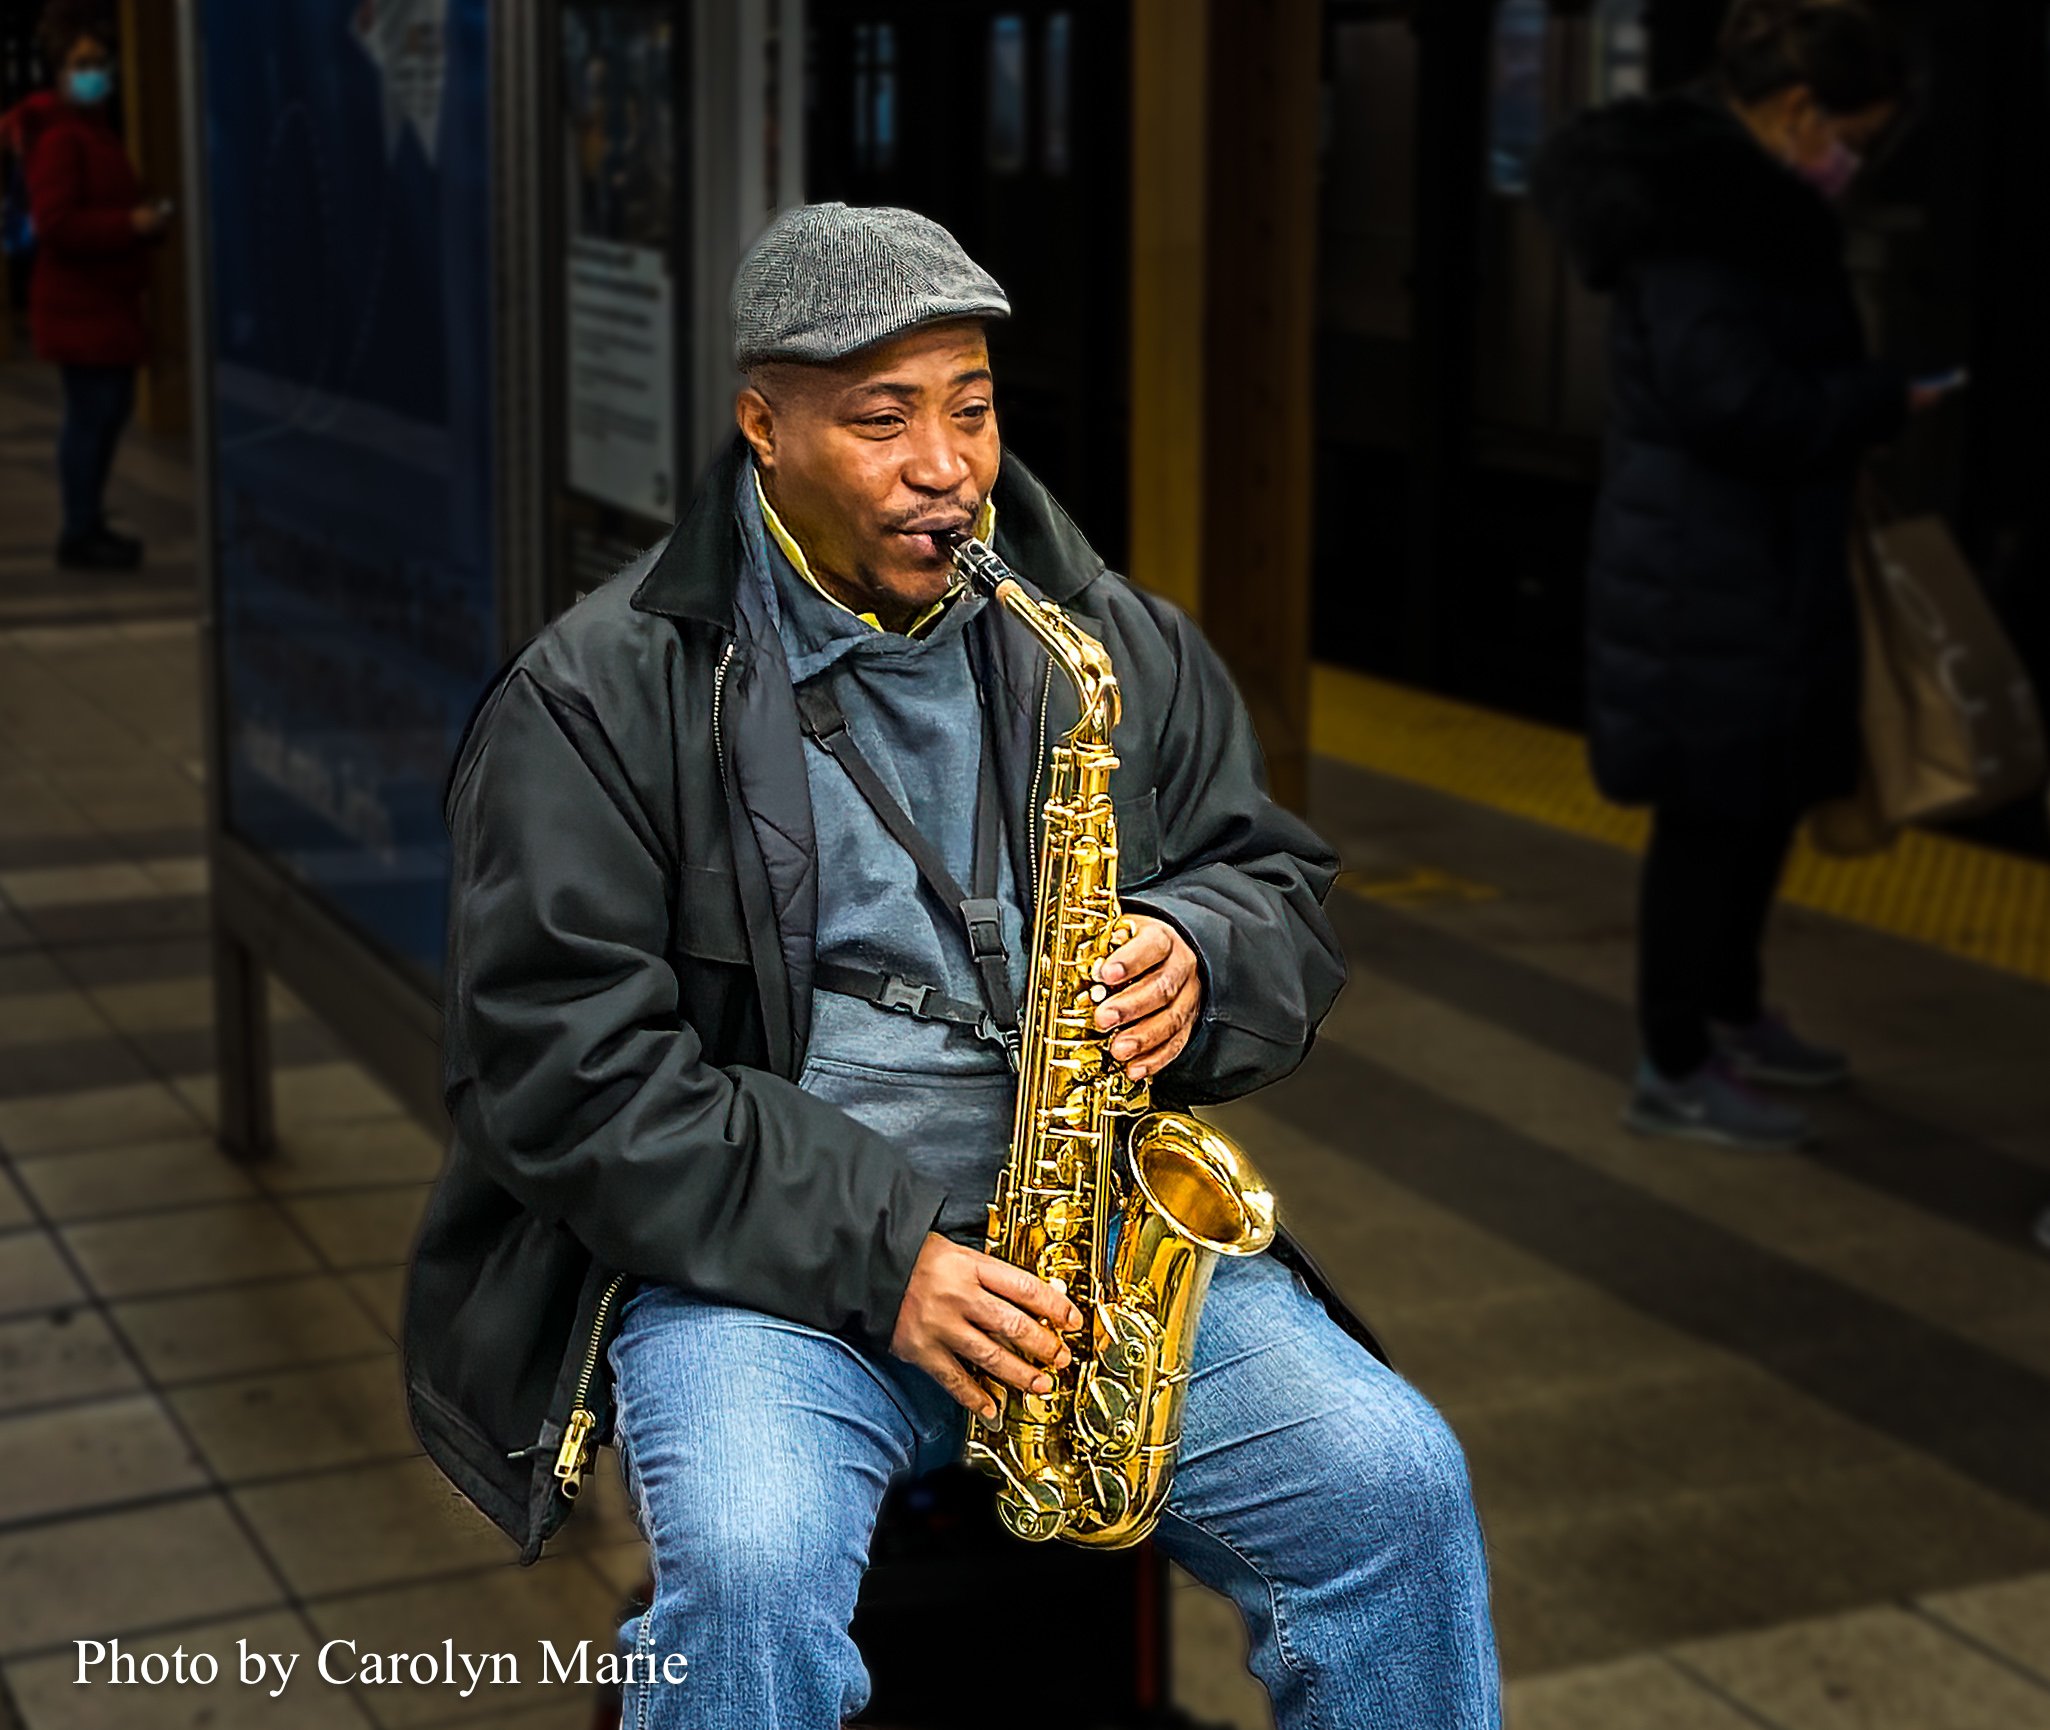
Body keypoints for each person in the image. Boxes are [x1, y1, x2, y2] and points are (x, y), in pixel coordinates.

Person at [403, 204, 1501, 1728]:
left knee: (1395, 1487)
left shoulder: (1094, 637)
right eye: (883, 419)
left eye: (971, 410)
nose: (946, 466)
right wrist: (888, 1255)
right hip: (767, 1274)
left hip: (1085, 1253)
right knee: (745, 1579)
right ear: (762, 428)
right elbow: (559, 1074)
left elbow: (1276, 885)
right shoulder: (597, 695)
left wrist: (1201, 947)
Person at [1534, 0, 1927, 1149]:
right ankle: (1675, 1059)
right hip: (1704, 570)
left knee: (1752, 805)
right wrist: (1875, 401)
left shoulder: (1723, 203)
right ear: (1799, 112)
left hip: (1738, 563)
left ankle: (1733, 1013)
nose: (1851, 162)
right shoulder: (1706, 220)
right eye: (1849, 133)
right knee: (1709, 819)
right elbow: (1730, 401)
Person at [15, 1, 166, 571]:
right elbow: (55, 222)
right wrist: (127, 225)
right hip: (82, 304)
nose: (94, 71)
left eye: (100, 61)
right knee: (92, 413)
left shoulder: (94, 131)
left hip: (104, 302)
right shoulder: (61, 138)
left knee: (107, 410)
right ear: (59, 71)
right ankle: (79, 528)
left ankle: (88, 519)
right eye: (82, 62)